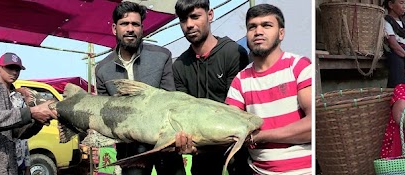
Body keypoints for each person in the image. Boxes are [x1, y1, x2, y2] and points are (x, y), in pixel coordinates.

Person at [97, 2, 185, 174]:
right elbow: (104, 113)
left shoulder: (161, 56)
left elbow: (169, 100)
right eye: (124, 24)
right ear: (115, 29)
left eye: (135, 24)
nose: (130, 29)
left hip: (164, 144)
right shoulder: (102, 69)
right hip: (130, 150)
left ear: (142, 28)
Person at [227, 4, 313, 173]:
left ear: (281, 33)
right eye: (252, 27)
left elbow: (312, 126)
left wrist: (260, 136)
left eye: (266, 25)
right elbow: (230, 128)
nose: (258, 31)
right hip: (258, 171)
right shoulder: (240, 80)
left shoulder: (299, 67)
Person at [171, 0, 252, 173]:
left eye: (195, 17)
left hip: (236, 146)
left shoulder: (233, 53)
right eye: (183, 20)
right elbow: (184, 112)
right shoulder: (179, 66)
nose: (189, 25)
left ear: (210, 15)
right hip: (202, 152)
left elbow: (238, 109)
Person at [0, 53, 55, 175]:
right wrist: (31, 112)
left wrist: (39, 120)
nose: (14, 72)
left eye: (17, 69)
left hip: (12, 163)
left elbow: (15, 133)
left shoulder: (16, 96)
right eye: (10, 67)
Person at [383, 0, 405, 88]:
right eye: (401, 3)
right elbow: (394, 45)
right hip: (397, 55)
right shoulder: (386, 21)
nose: (404, 6)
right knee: (399, 81)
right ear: (391, 4)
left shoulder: (403, 23)